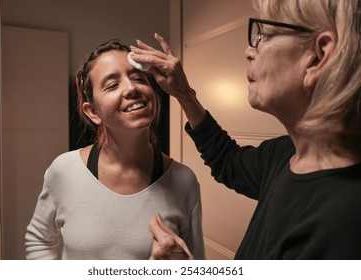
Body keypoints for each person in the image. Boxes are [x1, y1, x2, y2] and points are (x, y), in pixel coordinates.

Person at [130, 0, 361, 259]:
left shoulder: (345, 220)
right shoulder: (285, 154)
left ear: (317, 56)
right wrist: (185, 95)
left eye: (263, 34)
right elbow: (227, 161)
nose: (248, 51)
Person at [25, 39, 205, 260]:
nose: (131, 89)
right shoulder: (63, 171)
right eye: (112, 85)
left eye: (138, 78)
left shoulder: (184, 181)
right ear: (92, 112)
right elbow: (39, 240)